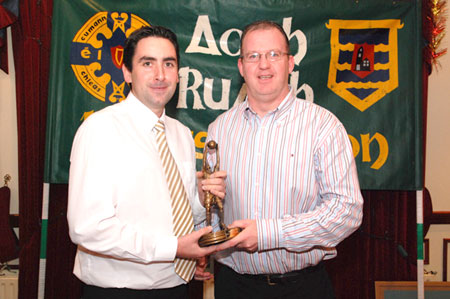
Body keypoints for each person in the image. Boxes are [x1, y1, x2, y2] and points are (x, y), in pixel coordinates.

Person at [202, 20, 364, 299]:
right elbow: (214, 206)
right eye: (253, 56)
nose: (264, 65)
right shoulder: (220, 128)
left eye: (274, 54)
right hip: (232, 286)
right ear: (241, 67)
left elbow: (346, 211)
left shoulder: (323, 125)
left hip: (301, 288)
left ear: (290, 63)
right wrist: (203, 243)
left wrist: (268, 233)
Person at [67, 25, 226, 299]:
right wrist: (173, 249)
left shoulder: (181, 135)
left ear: (178, 74)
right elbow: (87, 228)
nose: (160, 75)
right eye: (147, 63)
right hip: (117, 292)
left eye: (169, 63)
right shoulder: (99, 129)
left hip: (177, 286)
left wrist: (200, 200)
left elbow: (179, 213)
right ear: (127, 72)